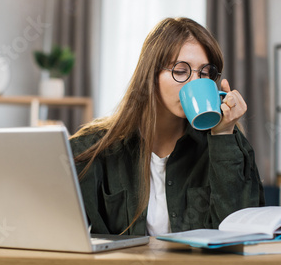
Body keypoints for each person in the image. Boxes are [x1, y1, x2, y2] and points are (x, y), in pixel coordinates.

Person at [70, 17, 265, 240]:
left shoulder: (229, 140)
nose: (194, 82)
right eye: (181, 71)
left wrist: (222, 135)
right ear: (150, 76)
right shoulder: (98, 145)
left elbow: (239, 237)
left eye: (204, 73)